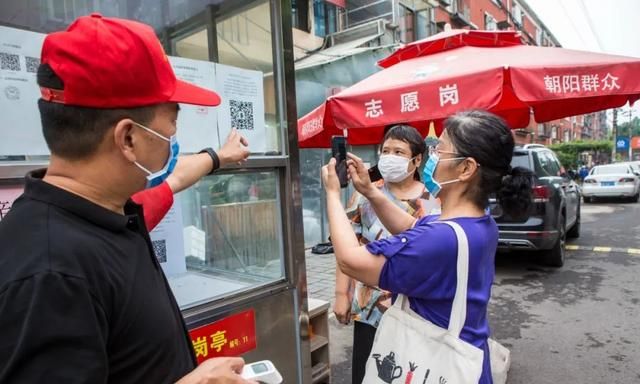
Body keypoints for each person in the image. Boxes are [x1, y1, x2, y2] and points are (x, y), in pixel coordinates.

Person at [0, 14, 255, 384]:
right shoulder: (51, 274)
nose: (173, 141)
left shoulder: (108, 212)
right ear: (128, 139)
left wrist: (219, 156)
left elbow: (174, 179)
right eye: (172, 128)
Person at [322, 110, 533, 384]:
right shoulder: (476, 222)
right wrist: (371, 191)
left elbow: (350, 260)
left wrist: (332, 194)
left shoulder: (441, 239)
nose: (432, 157)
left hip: (435, 367)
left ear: (466, 168)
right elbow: (413, 227)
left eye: (439, 151)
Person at [333, 125, 439, 384]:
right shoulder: (363, 196)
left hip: (416, 311)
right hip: (370, 309)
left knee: (408, 374)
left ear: (416, 160)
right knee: (366, 373)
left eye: (399, 152)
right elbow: (347, 247)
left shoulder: (432, 201)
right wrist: (341, 295)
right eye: (386, 150)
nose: (389, 156)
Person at [132, 129, 250, 231]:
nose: (175, 130)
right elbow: (173, 177)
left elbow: (173, 175)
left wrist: (220, 156)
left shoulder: (128, 202)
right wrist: (220, 156)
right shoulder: (128, 211)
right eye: (172, 120)